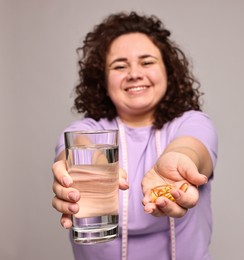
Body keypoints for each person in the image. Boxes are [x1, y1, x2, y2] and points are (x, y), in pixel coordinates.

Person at [51, 11, 218, 260]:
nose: (134, 73)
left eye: (147, 62)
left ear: (168, 71)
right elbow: (77, 148)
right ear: (102, 80)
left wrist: (180, 161)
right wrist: (86, 170)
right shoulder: (82, 131)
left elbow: (191, 148)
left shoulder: (193, 123)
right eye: (120, 66)